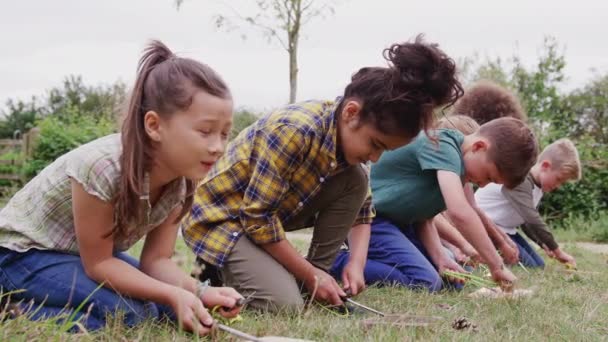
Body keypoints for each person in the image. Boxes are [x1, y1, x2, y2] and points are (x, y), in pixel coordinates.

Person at [183, 35, 464, 311]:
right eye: (375, 144)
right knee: (284, 305)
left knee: (357, 180)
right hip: (224, 222)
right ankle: (215, 273)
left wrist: (356, 263)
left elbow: (363, 208)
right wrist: (309, 273)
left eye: (384, 151)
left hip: (260, 225)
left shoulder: (348, 154)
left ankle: (314, 273)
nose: (375, 157)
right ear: (351, 113)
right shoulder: (295, 131)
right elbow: (257, 219)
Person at [0, 40, 242, 334]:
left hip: (77, 257)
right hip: (21, 255)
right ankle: (12, 309)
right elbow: (100, 264)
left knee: (168, 307)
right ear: (154, 125)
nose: (218, 147)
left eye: (225, 134)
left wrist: (200, 292)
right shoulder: (104, 167)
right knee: (129, 313)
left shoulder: (180, 181)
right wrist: (171, 293)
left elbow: (157, 261)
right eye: (205, 132)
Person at [332, 117, 538, 291]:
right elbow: (460, 212)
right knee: (426, 281)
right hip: (373, 220)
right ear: (479, 147)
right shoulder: (442, 144)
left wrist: (440, 257)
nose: (483, 184)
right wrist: (496, 264)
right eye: (489, 177)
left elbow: (424, 218)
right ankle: (337, 262)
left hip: (402, 225)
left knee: (452, 281)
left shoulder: (458, 167)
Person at [475, 138, 581, 268]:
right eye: (558, 179)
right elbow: (532, 219)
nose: (558, 185)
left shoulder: (538, 187)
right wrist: (558, 251)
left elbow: (525, 222)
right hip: (483, 227)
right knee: (530, 267)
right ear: (545, 166)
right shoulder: (521, 180)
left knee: (539, 265)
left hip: (505, 230)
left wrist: (543, 244)